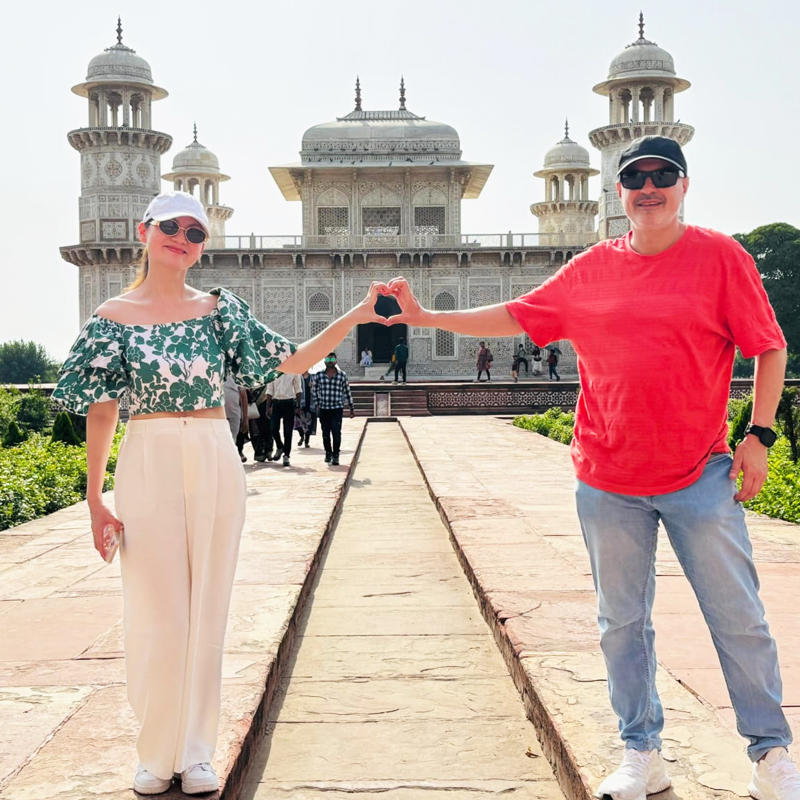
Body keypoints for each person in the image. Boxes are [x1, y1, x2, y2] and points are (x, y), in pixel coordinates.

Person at [380, 135, 799, 800]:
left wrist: (762, 433)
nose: (650, 186)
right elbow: (514, 315)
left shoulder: (721, 258)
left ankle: (771, 753)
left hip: (698, 472)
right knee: (621, 622)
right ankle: (642, 751)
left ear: (684, 185)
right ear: (619, 190)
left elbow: (768, 347)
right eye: (636, 176)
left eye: (665, 175)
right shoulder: (591, 269)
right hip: (608, 477)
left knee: (736, 615)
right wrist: (425, 316)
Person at [52, 190, 390, 797]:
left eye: (196, 232)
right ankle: (155, 750)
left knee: (207, 601)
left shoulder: (217, 309)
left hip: (211, 451)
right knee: (154, 606)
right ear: (144, 230)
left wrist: (355, 315)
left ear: (204, 245)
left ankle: (196, 750)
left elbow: (290, 359)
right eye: (171, 227)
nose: (182, 238)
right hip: (147, 454)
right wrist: (95, 494)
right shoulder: (112, 317)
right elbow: (102, 411)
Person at [312, 352, 355, 466]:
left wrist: (351, 407)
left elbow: (347, 391)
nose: (330, 361)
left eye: (332, 359)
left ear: (336, 361)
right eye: (328, 359)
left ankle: (336, 454)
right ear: (325, 361)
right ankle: (328, 452)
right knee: (325, 432)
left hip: (337, 408)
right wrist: (317, 404)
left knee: (336, 432)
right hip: (324, 408)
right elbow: (315, 391)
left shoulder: (342, 375)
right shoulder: (319, 375)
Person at [265, 371, 302, 467]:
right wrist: (268, 407)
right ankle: (280, 446)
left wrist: (299, 406)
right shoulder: (273, 370)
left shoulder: (294, 370)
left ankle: (286, 455)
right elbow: (269, 390)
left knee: (288, 431)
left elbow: (298, 389)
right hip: (276, 402)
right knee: (273, 428)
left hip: (289, 402)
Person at [296, 371, 317, 448]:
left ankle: (307, 440)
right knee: (299, 422)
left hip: (311, 403)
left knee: (310, 424)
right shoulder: (297, 377)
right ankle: (301, 436)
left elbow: (319, 388)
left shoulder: (313, 377)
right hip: (300, 403)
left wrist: (313, 386)